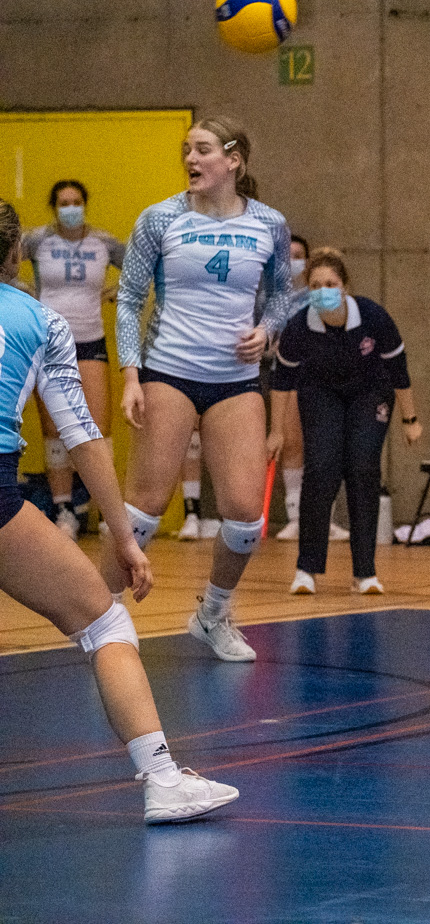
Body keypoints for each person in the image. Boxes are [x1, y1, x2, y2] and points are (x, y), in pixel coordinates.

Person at [0, 199, 238, 822]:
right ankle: (163, 779)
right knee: (106, 626)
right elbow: (83, 438)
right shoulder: (40, 321)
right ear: (14, 253)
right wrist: (124, 537)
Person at [102, 116, 295, 663]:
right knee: (144, 506)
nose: (191, 158)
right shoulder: (159, 219)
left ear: (233, 160)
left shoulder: (269, 224)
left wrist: (267, 330)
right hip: (170, 371)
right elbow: (132, 296)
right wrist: (132, 374)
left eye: (203, 149)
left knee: (244, 515)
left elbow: (283, 295)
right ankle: (99, 612)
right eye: (186, 149)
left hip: (236, 381)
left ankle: (212, 614)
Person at [267, 247, 421, 595]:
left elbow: (398, 369)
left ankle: (365, 573)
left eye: (331, 283)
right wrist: (275, 431)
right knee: (320, 469)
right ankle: (306, 570)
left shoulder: (372, 317)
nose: (324, 289)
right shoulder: (298, 327)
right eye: (316, 284)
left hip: (371, 392)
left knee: (363, 467)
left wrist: (410, 418)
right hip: (321, 393)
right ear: (308, 289)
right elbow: (282, 381)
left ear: (345, 286)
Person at [19, 180, 125, 539]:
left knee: (97, 426)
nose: (70, 208)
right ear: (54, 207)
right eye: (63, 203)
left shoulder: (103, 242)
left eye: (76, 201)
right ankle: (64, 510)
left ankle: (107, 510)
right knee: (55, 430)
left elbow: (141, 270)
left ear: (85, 204)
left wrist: (116, 293)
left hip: (90, 339)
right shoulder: (37, 240)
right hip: (48, 341)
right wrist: (23, 291)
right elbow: (5, 261)